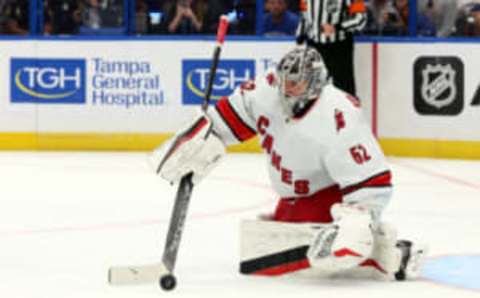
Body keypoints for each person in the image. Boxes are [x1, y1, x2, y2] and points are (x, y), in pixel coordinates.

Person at [152, 47, 427, 281]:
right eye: (285, 80)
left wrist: (358, 220)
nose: (287, 88)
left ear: (316, 82)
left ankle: (394, 254)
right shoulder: (266, 90)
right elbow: (227, 119)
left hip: (330, 198)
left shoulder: (339, 114)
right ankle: (379, 250)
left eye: (296, 83)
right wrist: (200, 141)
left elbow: (372, 181)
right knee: (263, 256)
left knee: (295, 258)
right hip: (292, 199)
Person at [296, 0, 366, 96]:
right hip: (314, 46)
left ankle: (348, 110)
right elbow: (304, 17)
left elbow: (361, 19)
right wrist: (300, 36)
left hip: (339, 47)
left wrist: (337, 27)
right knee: (311, 89)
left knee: (344, 90)